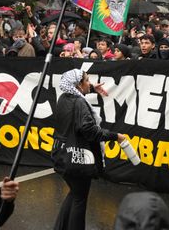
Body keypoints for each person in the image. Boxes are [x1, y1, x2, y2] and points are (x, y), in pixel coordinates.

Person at [52, 69, 126, 230]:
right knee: (79, 198)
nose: (89, 82)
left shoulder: (64, 97)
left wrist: (91, 88)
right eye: (87, 80)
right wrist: (115, 136)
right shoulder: (79, 103)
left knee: (75, 194)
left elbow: (77, 92)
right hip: (76, 157)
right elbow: (90, 131)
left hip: (62, 155)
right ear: (78, 85)